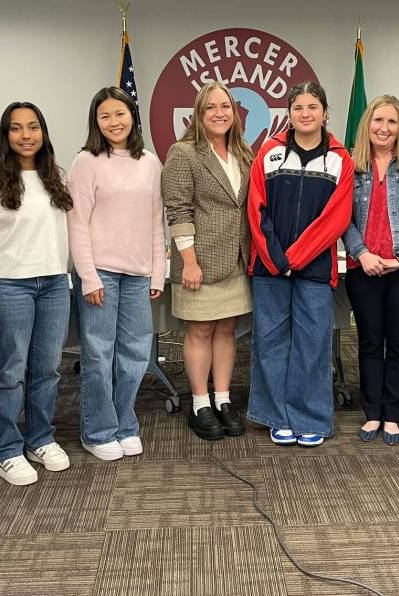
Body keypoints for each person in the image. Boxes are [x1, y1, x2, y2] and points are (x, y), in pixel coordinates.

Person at [0, 102, 73, 485]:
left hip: (55, 284)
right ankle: (6, 449)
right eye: (16, 128)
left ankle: (40, 439)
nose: (26, 135)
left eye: (33, 127)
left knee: (47, 368)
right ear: (5, 135)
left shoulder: (56, 176)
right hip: (10, 285)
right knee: (10, 371)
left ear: (43, 132)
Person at [247, 81, 353, 447]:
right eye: (298, 108)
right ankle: (276, 415)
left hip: (314, 270)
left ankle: (310, 417)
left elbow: (336, 218)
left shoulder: (341, 159)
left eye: (312, 107)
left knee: (313, 343)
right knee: (271, 340)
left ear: (325, 113)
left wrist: (297, 257)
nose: (305, 114)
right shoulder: (269, 152)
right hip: (269, 268)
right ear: (288, 114)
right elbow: (256, 208)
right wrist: (277, 259)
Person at [68, 87, 165, 461]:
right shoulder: (86, 161)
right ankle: (98, 430)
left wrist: (158, 274)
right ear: (96, 121)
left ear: (132, 117)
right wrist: (88, 277)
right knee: (98, 355)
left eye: (120, 114)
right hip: (101, 274)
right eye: (105, 116)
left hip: (139, 274)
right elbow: (76, 224)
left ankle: (125, 423)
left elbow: (157, 222)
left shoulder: (150, 163)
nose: (113, 122)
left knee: (136, 353)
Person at [342, 95, 399, 445]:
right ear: (368, 124)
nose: (384, 128)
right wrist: (361, 252)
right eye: (378, 120)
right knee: (368, 342)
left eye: (392, 122)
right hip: (362, 266)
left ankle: (393, 415)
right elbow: (342, 218)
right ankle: (372, 413)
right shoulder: (351, 164)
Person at [161, 82, 252, 440]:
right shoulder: (183, 153)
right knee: (199, 330)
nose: (219, 113)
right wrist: (190, 260)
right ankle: (200, 402)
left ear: (234, 112)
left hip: (236, 259)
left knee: (227, 331)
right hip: (199, 260)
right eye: (211, 107)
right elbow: (178, 209)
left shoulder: (244, 153)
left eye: (225, 106)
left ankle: (223, 398)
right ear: (198, 114)